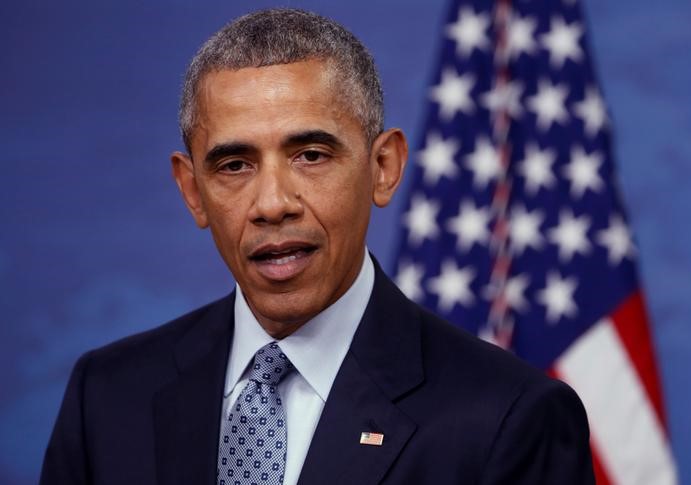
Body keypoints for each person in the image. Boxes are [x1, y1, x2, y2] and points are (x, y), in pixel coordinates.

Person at [41, 8, 595, 485]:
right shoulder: (108, 397)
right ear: (193, 191)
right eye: (235, 165)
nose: (273, 202)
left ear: (384, 168)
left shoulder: (509, 418)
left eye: (311, 155)